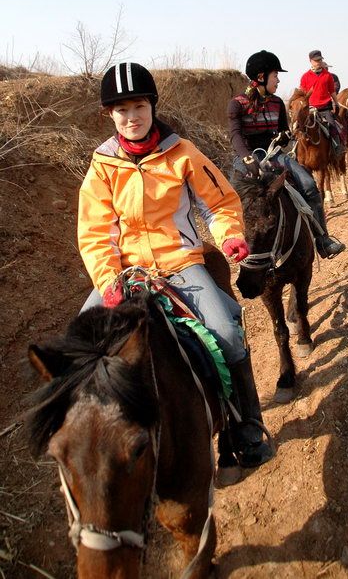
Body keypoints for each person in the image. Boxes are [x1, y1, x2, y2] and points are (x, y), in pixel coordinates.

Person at [78, 61, 273, 469]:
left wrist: (231, 236)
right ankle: (84, 444)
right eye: (121, 110)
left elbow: (218, 203)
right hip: (125, 271)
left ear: (152, 106)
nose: (131, 118)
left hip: (179, 262)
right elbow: (96, 232)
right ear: (109, 116)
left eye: (138, 108)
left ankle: (246, 427)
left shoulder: (182, 153)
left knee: (226, 329)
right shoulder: (102, 166)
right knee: (79, 343)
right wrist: (108, 278)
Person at [228, 50, 346, 259]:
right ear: (261, 77)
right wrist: (247, 157)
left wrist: (284, 137)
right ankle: (235, 245)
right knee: (230, 199)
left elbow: (283, 131)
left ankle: (323, 240)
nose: (279, 80)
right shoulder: (237, 103)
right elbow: (235, 135)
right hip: (246, 158)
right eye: (275, 75)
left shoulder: (277, 103)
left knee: (309, 186)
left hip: (274, 154)